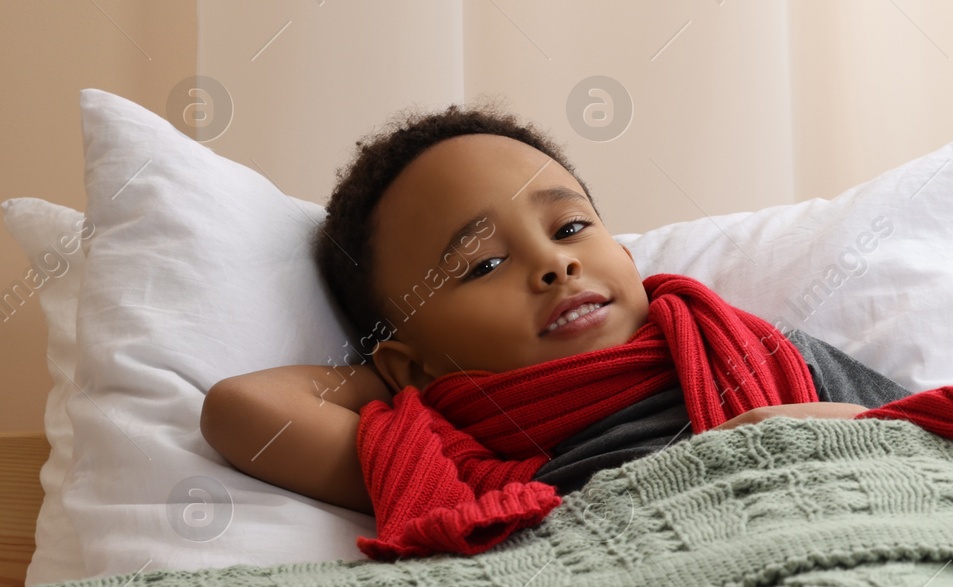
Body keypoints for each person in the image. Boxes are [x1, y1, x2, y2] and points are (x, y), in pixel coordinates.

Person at [200, 105, 912, 521]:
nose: (554, 264)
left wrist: (778, 432)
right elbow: (242, 408)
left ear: (626, 258)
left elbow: (951, 445)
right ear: (409, 360)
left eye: (571, 228)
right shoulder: (453, 465)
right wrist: (410, 380)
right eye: (482, 265)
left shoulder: (770, 355)